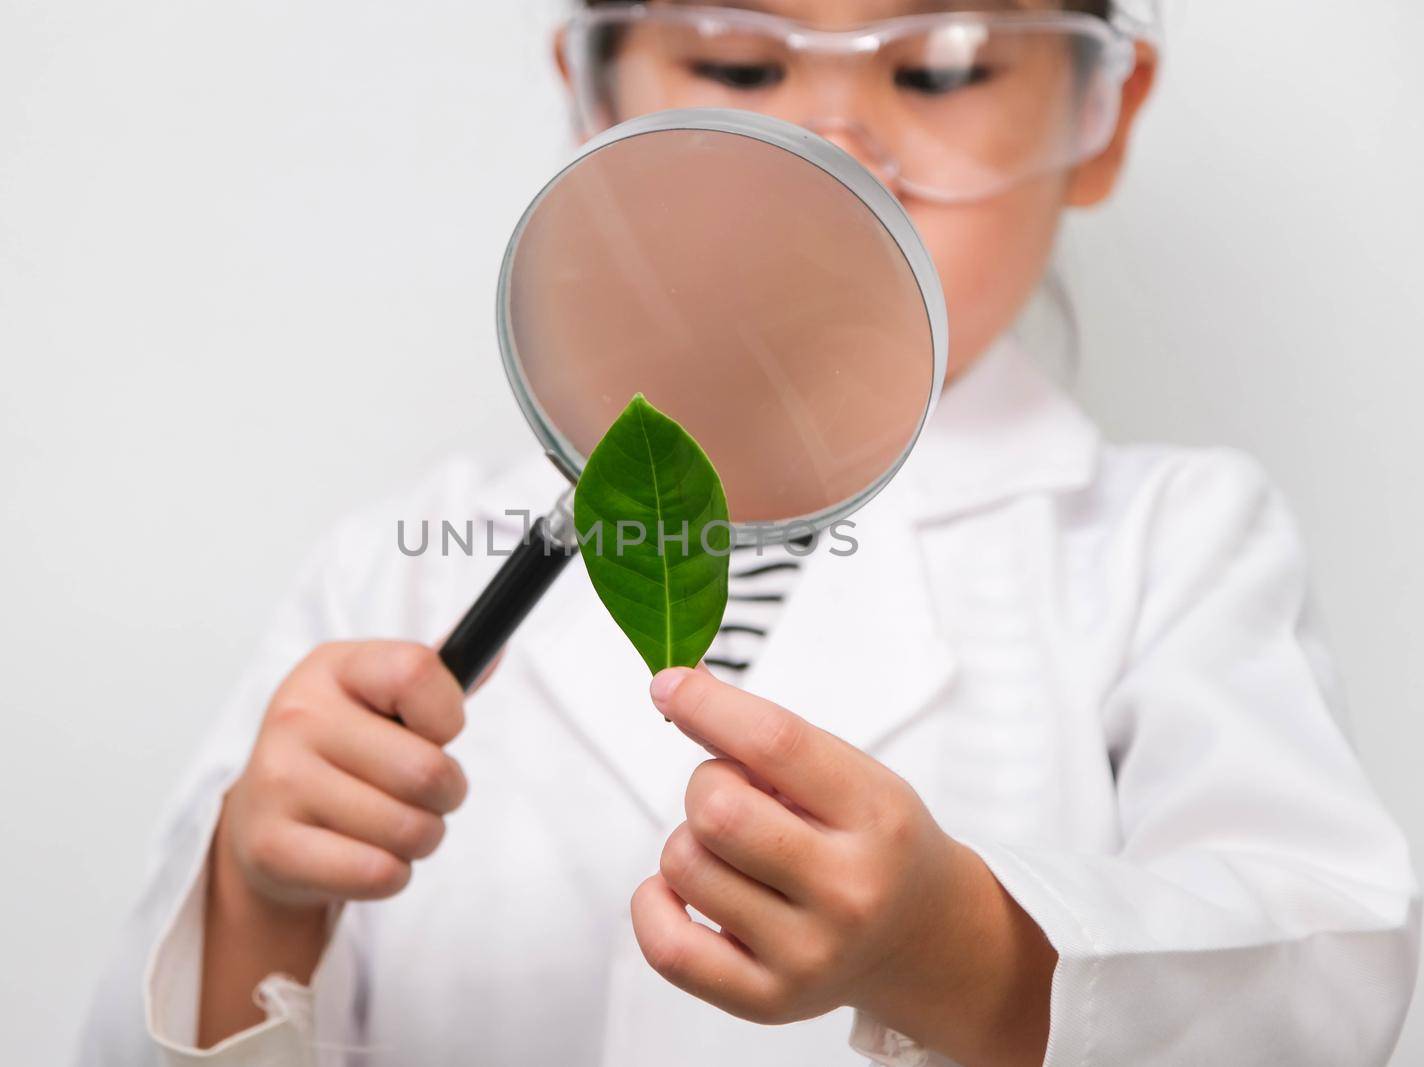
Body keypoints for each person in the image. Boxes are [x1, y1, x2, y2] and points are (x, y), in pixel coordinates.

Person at [78, 2, 1420, 1065]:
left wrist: (961, 955)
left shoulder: (1168, 546)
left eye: (941, 67)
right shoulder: (396, 562)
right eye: (736, 60)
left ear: (1102, 108)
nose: (833, 137)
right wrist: (257, 902)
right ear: (594, 93)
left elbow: (1328, 982)